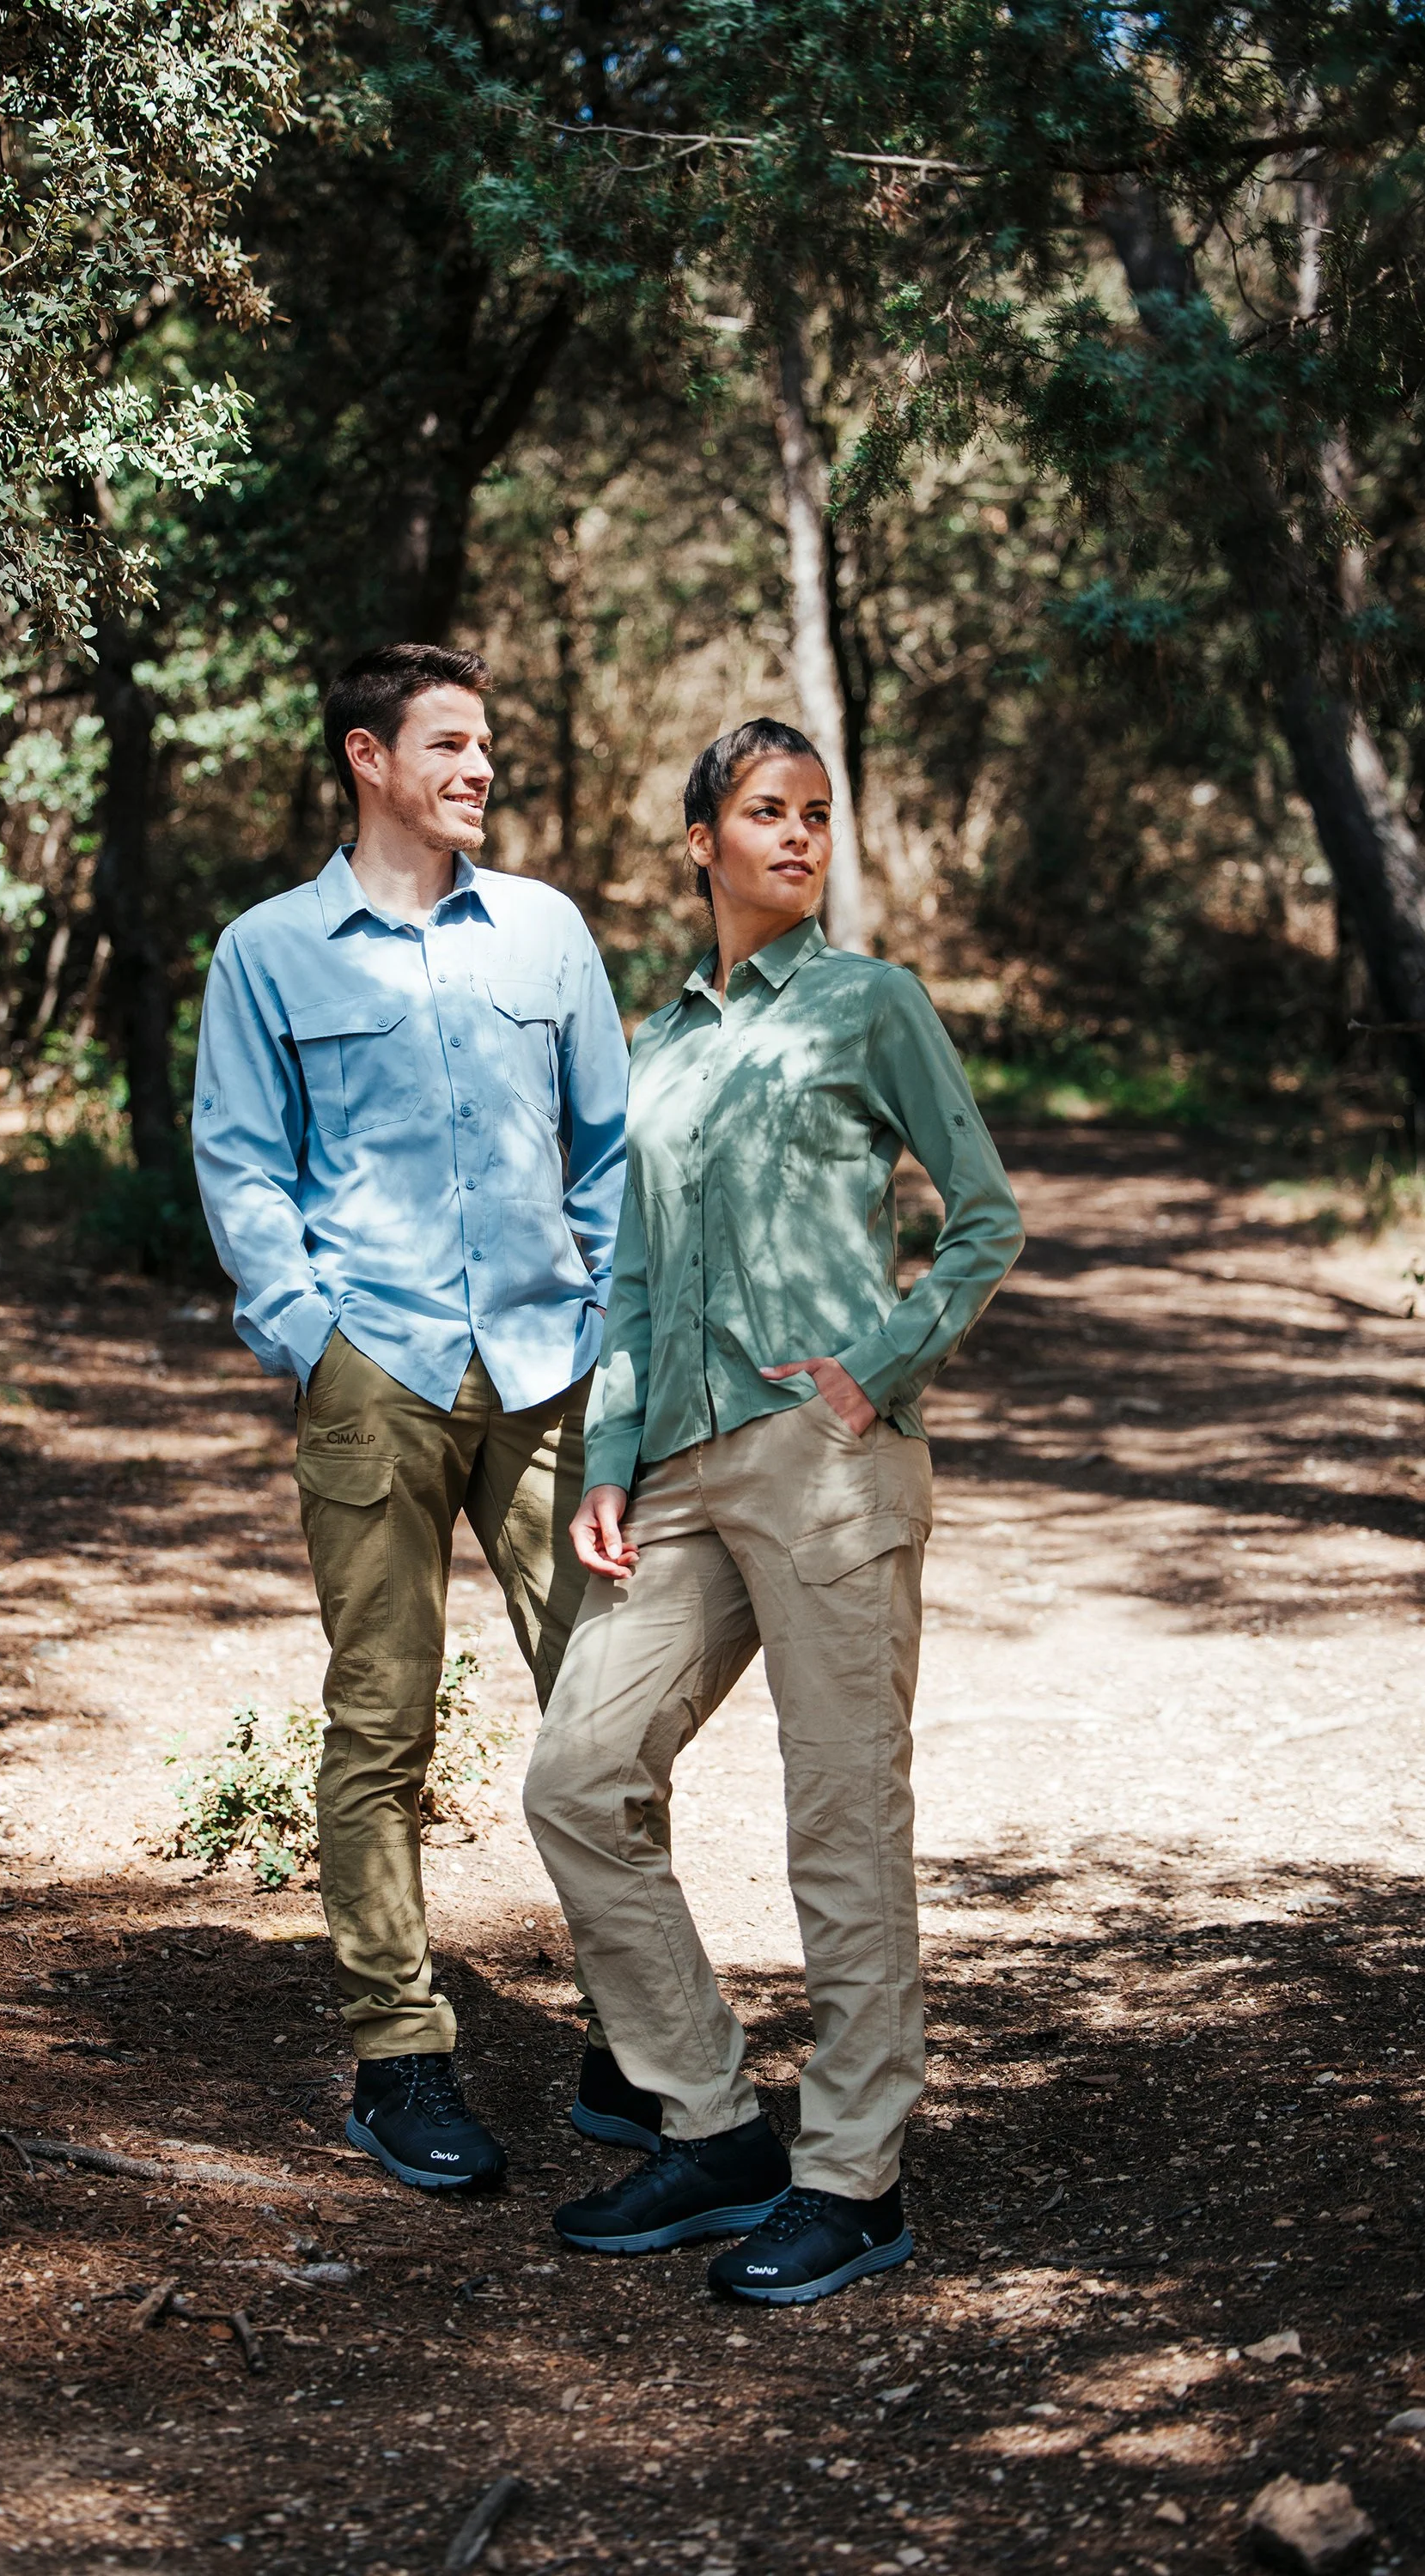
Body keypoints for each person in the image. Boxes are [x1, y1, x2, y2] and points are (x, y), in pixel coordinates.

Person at [523, 717, 1025, 2303]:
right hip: (678, 1462)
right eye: (765, 813)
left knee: (841, 1822)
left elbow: (985, 1219)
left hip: (824, 1459)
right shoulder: (654, 1044)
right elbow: (638, 1274)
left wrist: (878, 1372)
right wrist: (609, 1452)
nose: (798, 837)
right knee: (578, 1777)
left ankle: (855, 2178)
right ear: (703, 841)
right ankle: (715, 2120)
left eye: (816, 815)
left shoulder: (871, 1003)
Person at [192, 641, 650, 2194]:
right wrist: (313, 1342)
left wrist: (601, 1322)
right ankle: (400, 2059)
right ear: (366, 758)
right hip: (372, 1377)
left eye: (490, 746)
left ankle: (634, 2043)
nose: (479, 770)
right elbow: (243, 1164)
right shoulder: (269, 952)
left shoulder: (546, 932)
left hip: (544, 1374)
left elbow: (611, 1146)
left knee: (604, 1712)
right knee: (379, 1721)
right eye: (448, 745)